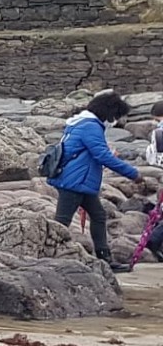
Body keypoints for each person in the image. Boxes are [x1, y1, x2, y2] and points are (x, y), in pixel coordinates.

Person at [49, 91, 143, 272]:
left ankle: (104, 258)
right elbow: (102, 155)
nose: (115, 121)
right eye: (116, 116)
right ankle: (48, 258)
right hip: (75, 181)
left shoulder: (80, 123)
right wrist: (133, 174)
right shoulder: (90, 127)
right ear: (108, 112)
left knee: (98, 216)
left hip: (80, 180)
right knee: (62, 222)